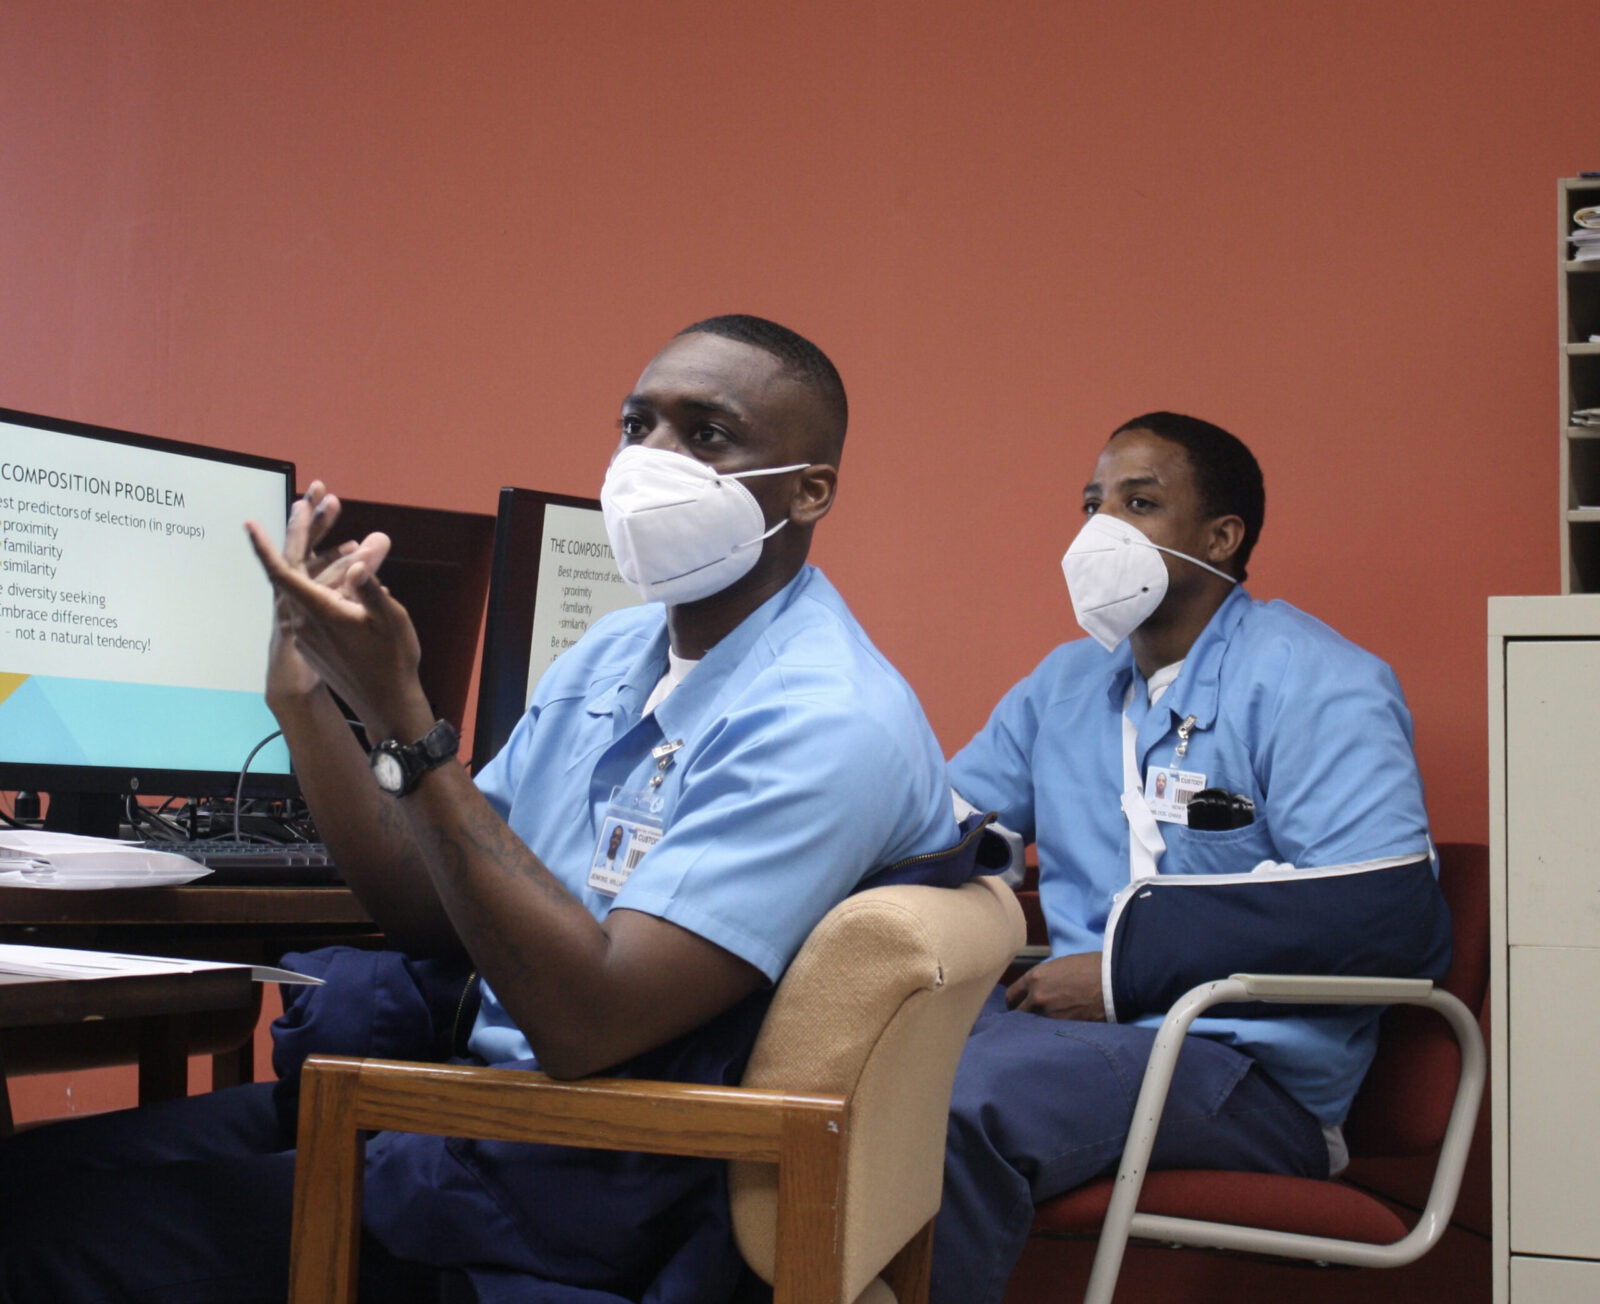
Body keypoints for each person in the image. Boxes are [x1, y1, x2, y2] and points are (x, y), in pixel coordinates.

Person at [0, 315, 960, 1304]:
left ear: (811, 487)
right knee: (21, 1180)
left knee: (35, 1245)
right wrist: (308, 695)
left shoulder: (825, 720)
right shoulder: (613, 654)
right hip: (467, 1116)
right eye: (638, 426)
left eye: (707, 434)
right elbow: (429, 904)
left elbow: (587, 1024)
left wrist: (409, 724)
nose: (652, 460)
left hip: (576, 1187)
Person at [929, 412, 1450, 1304]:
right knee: (852, 1071)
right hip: (1071, 1051)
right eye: (1092, 505)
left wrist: (1124, 972)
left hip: (1251, 1080)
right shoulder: (1062, 688)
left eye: (1140, 504)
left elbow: (1390, 919)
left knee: (949, 1108)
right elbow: (941, 828)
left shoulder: (1315, 680)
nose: (1101, 531)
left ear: (1221, 537)